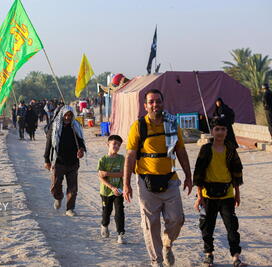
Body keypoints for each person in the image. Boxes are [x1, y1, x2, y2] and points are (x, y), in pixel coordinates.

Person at [123, 89, 192, 267]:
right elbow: (130, 155)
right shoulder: (138, 126)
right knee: (150, 224)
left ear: (163, 103)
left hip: (169, 179)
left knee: (177, 219)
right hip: (146, 182)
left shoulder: (171, 124)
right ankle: (157, 261)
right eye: (151, 102)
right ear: (145, 106)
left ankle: (167, 243)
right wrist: (126, 184)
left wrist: (189, 176)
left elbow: (181, 151)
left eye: (158, 101)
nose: (155, 105)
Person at [193, 117, 244, 267]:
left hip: (227, 194)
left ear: (227, 131)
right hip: (208, 195)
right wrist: (199, 196)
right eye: (217, 129)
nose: (220, 132)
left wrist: (237, 193)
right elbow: (198, 173)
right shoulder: (206, 149)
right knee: (207, 227)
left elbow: (237, 172)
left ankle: (235, 256)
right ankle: (209, 255)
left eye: (223, 129)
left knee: (232, 227)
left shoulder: (231, 150)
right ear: (212, 131)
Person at [44, 105, 86, 217]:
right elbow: (48, 144)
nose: (67, 117)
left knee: (73, 188)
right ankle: (58, 197)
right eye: (66, 115)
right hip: (59, 162)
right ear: (62, 115)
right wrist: (46, 160)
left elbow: (81, 142)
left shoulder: (75, 126)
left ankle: (70, 209)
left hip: (73, 162)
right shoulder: (55, 127)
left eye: (70, 115)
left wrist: (81, 150)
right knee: (55, 186)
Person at [98, 135, 126, 244]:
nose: (116, 146)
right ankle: (104, 225)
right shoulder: (103, 160)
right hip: (106, 191)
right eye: (114, 144)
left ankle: (120, 234)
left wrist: (108, 173)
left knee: (119, 212)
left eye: (118, 145)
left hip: (118, 191)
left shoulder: (121, 158)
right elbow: (101, 176)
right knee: (107, 212)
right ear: (108, 144)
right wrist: (111, 187)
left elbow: (122, 174)